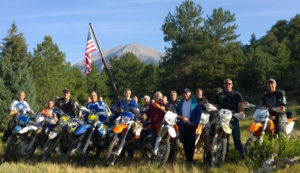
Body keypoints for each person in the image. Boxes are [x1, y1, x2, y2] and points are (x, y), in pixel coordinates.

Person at [214, 79, 244, 156]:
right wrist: (215, 114)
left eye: (229, 84)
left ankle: (239, 155)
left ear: (232, 85)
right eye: (226, 84)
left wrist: (241, 112)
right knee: (224, 138)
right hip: (223, 119)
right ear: (224, 85)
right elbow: (216, 107)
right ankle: (225, 155)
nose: (228, 85)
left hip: (234, 118)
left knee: (236, 137)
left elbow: (240, 105)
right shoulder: (219, 95)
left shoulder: (237, 94)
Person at [109, 88, 139, 159]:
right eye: (126, 93)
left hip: (130, 122)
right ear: (124, 94)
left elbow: (137, 112)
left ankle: (130, 156)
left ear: (130, 94)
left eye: (128, 93)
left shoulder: (133, 102)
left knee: (130, 139)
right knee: (119, 137)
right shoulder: (120, 102)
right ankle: (121, 155)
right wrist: (111, 119)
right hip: (121, 123)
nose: (127, 94)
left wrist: (136, 120)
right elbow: (117, 112)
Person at [177, 88, 202, 162]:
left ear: (190, 93)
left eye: (186, 93)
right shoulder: (181, 102)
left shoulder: (195, 102)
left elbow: (198, 113)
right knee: (185, 141)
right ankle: (187, 157)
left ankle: (190, 158)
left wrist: (194, 122)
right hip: (183, 124)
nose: (185, 94)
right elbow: (178, 112)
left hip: (191, 124)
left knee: (191, 141)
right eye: (184, 93)